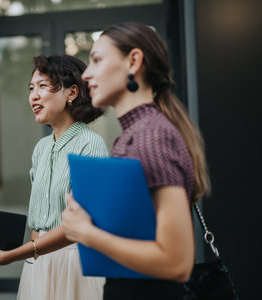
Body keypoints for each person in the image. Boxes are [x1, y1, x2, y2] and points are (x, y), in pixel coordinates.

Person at [61, 21, 211, 299]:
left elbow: (176, 263)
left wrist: (86, 232)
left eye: (96, 60)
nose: (86, 75)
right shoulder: (138, 133)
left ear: (133, 61)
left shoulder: (151, 137)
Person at [0, 54, 109, 299]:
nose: (33, 96)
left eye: (42, 86)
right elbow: (37, 225)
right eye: (31, 88)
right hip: (37, 262)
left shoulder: (91, 144)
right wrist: (32, 258)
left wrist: (13, 255)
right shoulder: (41, 149)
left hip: (75, 263)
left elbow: (79, 224)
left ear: (72, 93)